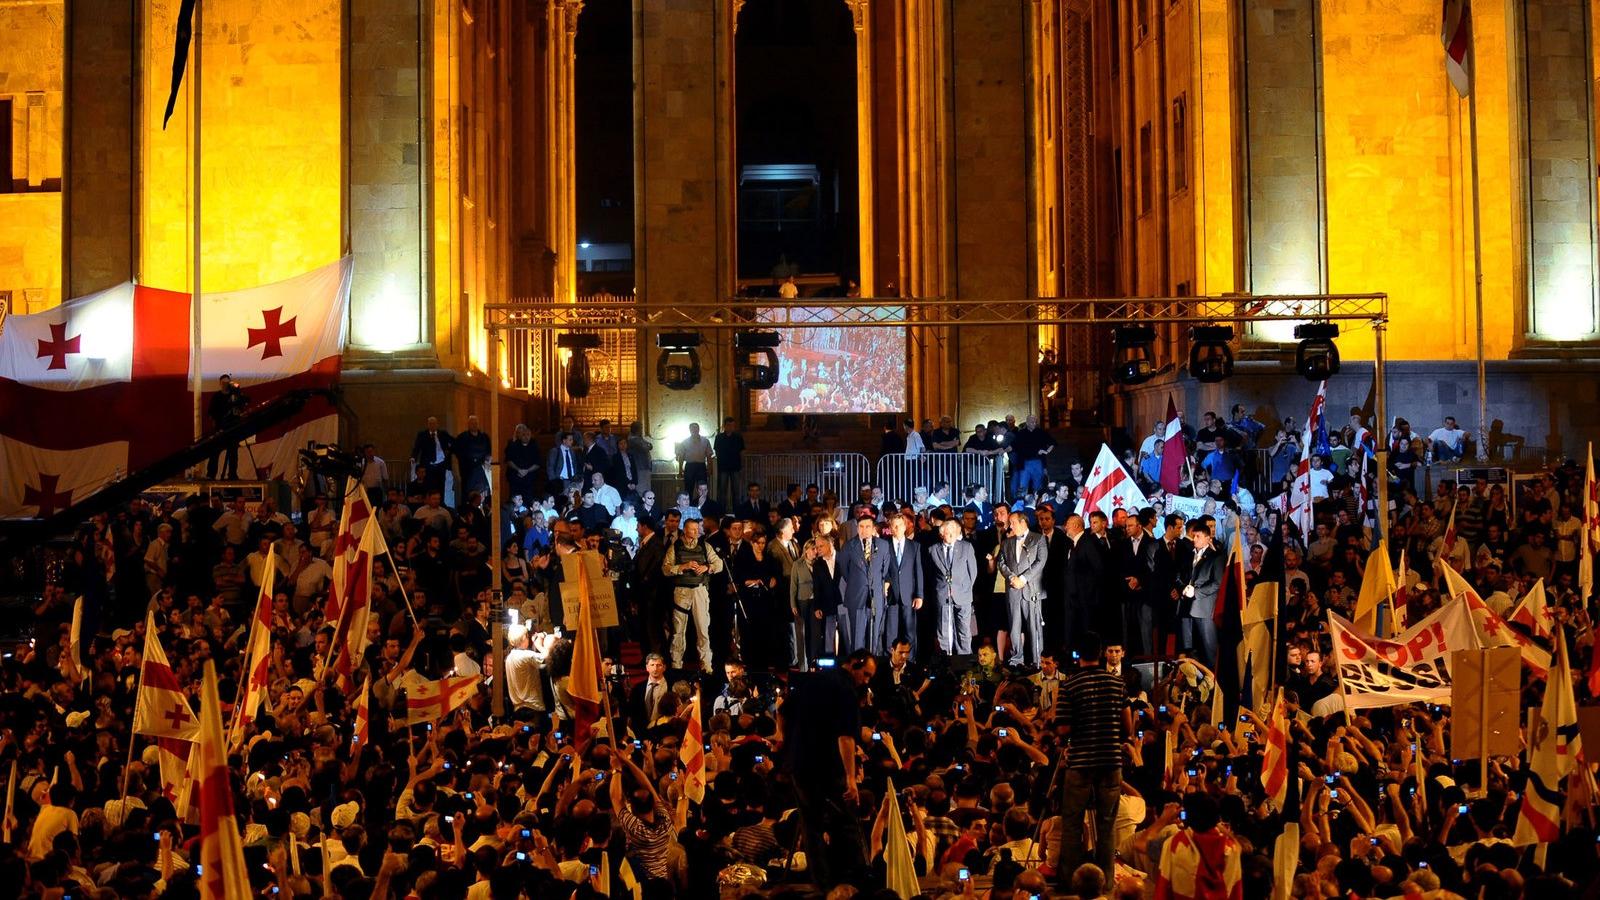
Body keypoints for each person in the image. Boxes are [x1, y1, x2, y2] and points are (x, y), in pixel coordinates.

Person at [781, 649, 874, 888]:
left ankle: (822, 884)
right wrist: (852, 779)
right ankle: (854, 881)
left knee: (810, 825)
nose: (866, 681)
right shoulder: (846, 691)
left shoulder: (812, 680)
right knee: (845, 821)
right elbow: (845, 738)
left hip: (800, 764)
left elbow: (782, 710)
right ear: (854, 664)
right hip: (826, 766)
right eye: (865, 674)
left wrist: (788, 744)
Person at [1053, 631, 1132, 886]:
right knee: (1107, 824)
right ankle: (1106, 881)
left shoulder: (1070, 685)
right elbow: (1128, 726)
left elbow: (1063, 729)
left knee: (1073, 822)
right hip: (1110, 761)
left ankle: (1071, 881)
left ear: (1078, 656)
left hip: (1080, 762)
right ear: (1100, 653)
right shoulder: (1116, 683)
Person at [661, 518, 724, 672]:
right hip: (682, 591)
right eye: (693, 529)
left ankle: (706, 665)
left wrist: (707, 567)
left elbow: (720, 564)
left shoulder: (704, 545)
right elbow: (665, 568)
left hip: (699, 590)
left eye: (698, 528)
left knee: (703, 628)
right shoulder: (675, 546)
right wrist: (683, 566)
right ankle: (676, 664)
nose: (697, 532)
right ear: (685, 530)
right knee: (678, 630)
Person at [997, 508, 1047, 668]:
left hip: (1031, 589)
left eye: (1012, 523)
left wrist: (1023, 579)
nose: (1009, 526)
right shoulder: (1007, 542)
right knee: (1014, 626)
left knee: (1034, 626)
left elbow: (1040, 562)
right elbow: (1001, 562)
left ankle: (1037, 660)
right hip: (1013, 589)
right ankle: (1016, 659)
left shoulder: (1038, 539)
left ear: (1023, 522)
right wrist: (1012, 577)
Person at [836, 516, 891, 655]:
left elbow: (885, 569)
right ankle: (857, 666)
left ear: (873, 529)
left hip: (876, 597)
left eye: (867, 527)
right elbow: (844, 569)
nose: (864, 530)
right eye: (861, 526)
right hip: (856, 596)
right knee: (857, 636)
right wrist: (858, 582)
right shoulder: (849, 546)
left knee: (874, 636)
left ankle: (873, 664)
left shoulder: (883, 545)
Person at [928, 519, 978, 657]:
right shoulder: (933, 550)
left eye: (953, 534)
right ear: (942, 534)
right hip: (942, 595)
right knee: (944, 631)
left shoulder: (966, 547)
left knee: (964, 630)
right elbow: (931, 575)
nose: (950, 537)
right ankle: (946, 660)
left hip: (963, 594)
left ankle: (965, 659)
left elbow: (972, 572)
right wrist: (941, 588)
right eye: (948, 534)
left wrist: (963, 588)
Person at [1177, 521, 1223, 669]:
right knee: (1187, 647)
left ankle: (1210, 681)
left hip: (1204, 609)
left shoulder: (1216, 557)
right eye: (1193, 536)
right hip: (1186, 607)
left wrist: (1196, 592)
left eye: (1198, 536)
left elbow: (1217, 583)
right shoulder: (1187, 555)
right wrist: (1183, 588)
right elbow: (1179, 576)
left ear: (1208, 538)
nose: (1194, 539)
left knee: (1208, 648)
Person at [883, 512, 925, 659]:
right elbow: (882, 569)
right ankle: (890, 660)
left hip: (909, 594)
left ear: (905, 526)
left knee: (910, 630)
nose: (897, 528)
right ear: (890, 527)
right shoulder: (884, 544)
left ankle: (911, 660)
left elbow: (918, 571)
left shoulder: (915, 546)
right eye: (894, 525)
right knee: (890, 630)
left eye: (900, 525)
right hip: (891, 595)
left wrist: (919, 595)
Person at [206, 374, 249, 479]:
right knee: (215, 452)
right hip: (220, 428)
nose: (226, 385)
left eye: (227, 383)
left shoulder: (235, 396)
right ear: (220, 384)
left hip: (233, 428)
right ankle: (211, 475)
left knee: (233, 453)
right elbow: (211, 412)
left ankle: (232, 474)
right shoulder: (217, 396)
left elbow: (245, 401)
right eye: (224, 383)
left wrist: (238, 393)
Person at [410, 415, 454, 495]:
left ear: (437, 424)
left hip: (441, 464)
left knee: (441, 484)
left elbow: (453, 442)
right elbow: (417, 447)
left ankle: (441, 503)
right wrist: (413, 457)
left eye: (434, 423)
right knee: (428, 484)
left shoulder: (443, 434)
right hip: (428, 464)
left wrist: (449, 451)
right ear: (428, 425)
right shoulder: (422, 435)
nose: (432, 425)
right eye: (430, 424)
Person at [455, 414, 492, 498]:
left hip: (482, 468)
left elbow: (489, 452)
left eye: (476, 423)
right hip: (468, 469)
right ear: (468, 424)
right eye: (472, 423)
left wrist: (487, 462)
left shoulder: (484, 437)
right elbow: (458, 452)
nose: (474, 425)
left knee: (483, 490)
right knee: (468, 490)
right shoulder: (462, 437)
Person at [676, 422, 712, 493]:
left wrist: (709, 468)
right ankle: (689, 504)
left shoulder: (705, 441)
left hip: (701, 466)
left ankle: (702, 504)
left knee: (702, 489)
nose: (695, 430)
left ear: (699, 429)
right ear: (690, 430)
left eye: (696, 428)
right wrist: (680, 470)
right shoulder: (684, 442)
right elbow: (681, 457)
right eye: (693, 429)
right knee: (688, 488)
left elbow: (709, 455)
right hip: (690, 467)